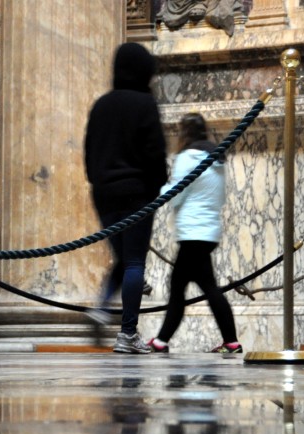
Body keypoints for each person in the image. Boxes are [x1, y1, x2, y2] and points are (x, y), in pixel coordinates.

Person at [84, 42, 168, 354]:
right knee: (134, 262)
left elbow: (89, 151)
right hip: (137, 193)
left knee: (123, 258)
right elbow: (155, 153)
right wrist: (157, 187)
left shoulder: (101, 105)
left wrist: (98, 183)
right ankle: (128, 333)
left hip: (104, 194)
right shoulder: (144, 104)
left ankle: (103, 305)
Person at [147, 112, 242, 354]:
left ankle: (162, 341)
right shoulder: (216, 158)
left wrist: (158, 188)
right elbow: (218, 197)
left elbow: (176, 195)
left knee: (184, 287)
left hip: (192, 232)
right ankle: (228, 341)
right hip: (208, 232)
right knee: (201, 286)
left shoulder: (187, 157)